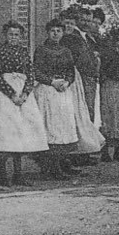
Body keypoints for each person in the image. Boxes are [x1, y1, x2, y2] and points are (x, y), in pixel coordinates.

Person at [0, 20, 48, 187]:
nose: (13, 37)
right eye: (10, 34)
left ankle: (19, 173)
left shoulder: (24, 52)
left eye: (17, 35)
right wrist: (12, 94)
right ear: (5, 35)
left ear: (21, 37)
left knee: (22, 132)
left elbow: (30, 74)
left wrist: (25, 93)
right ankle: (3, 174)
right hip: (4, 94)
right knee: (5, 132)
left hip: (23, 95)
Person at [33, 18, 81, 179]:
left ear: (62, 33)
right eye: (52, 31)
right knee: (49, 126)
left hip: (63, 91)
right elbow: (36, 71)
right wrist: (52, 82)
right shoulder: (41, 50)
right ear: (48, 32)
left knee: (63, 126)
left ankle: (61, 163)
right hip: (47, 90)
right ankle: (49, 167)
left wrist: (67, 82)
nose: (55, 34)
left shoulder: (66, 51)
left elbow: (71, 71)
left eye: (58, 31)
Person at [62, 7, 103, 166]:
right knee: (80, 113)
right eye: (83, 20)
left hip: (89, 78)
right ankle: (77, 153)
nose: (86, 23)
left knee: (88, 112)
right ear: (77, 20)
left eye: (89, 20)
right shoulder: (71, 37)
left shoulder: (88, 37)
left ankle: (86, 150)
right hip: (79, 78)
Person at [97, 33, 119, 162]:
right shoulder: (108, 57)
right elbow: (103, 72)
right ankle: (105, 151)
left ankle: (118, 151)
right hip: (110, 86)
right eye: (117, 46)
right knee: (109, 116)